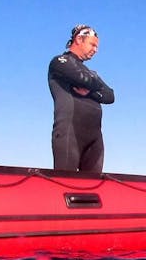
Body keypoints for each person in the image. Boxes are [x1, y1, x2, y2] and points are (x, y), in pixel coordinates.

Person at [48, 24, 115, 172]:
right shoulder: (60, 62)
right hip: (69, 132)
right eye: (92, 45)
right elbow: (82, 80)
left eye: (97, 47)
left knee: (92, 188)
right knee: (65, 185)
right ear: (79, 39)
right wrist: (96, 88)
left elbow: (110, 96)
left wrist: (90, 91)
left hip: (95, 137)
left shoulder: (91, 72)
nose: (95, 50)